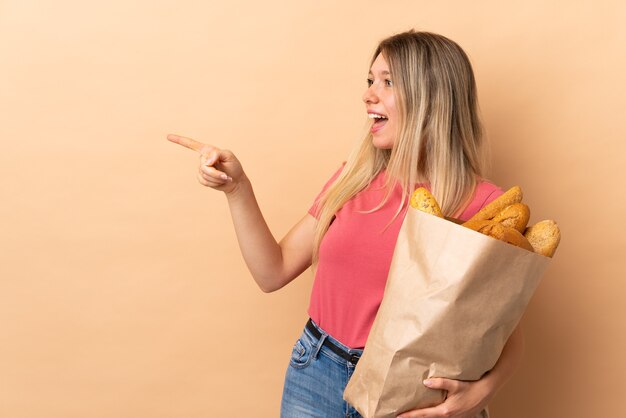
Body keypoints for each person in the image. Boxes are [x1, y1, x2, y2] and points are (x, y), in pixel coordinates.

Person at [167, 30, 524, 418]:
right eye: (370, 80)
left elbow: (504, 331)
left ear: (431, 97)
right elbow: (273, 271)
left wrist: (478, 395)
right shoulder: (352, 178)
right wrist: (238, 189)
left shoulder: (487, 205)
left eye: (387, 82)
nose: (369, 94)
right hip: (317, 372)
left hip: (413, 395)